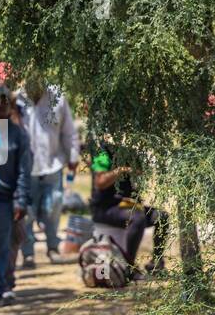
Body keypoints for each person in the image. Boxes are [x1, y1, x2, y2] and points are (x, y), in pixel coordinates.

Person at [19, 79, 79, 266]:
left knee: (53, 205)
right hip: (26, 167)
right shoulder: (17, 99)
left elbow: (68, 130)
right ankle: (28, 253)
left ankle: (53, 248)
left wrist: (73, 155)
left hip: (53, 164)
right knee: (26, 212)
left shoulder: (57, 97)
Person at [89, 141, 168, 275]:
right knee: (137, 218)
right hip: (105, 207)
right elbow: (100, 182)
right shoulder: (102, 153)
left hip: (126, 205)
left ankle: (156, 264)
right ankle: (129, 266)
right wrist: (121, 170)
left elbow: (140, 173)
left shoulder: (128, 150)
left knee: (161, 217)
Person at [0, 85, 32, 305]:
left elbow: (24, 171)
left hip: (5, 200)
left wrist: (20, 200)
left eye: (4, 101)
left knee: (2, 248)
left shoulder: (19, 135)